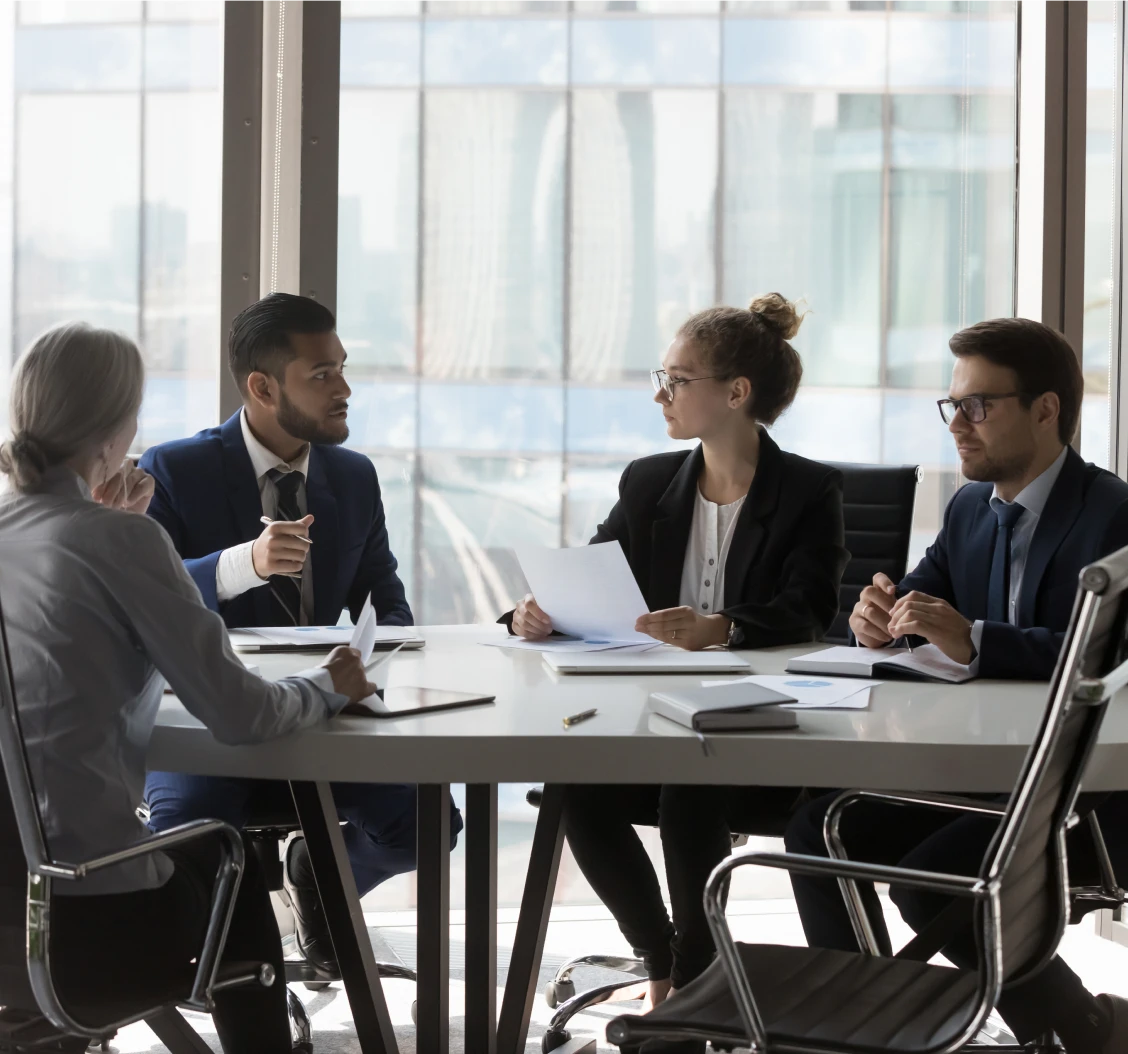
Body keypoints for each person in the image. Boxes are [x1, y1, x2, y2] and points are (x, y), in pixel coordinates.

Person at [0, 323, 377, 1052]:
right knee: (224, 859)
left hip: (10, 918)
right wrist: (328, 684)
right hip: (87, 920)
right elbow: (240, 714)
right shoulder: (118, 541)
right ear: (116, 429)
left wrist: (115, 531)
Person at [786, 317, 1128, 1054]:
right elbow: (915, 603)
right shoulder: (970, 507)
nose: (958, 427)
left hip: (1075, 791)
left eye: (978, 406)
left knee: (928, 880)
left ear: (1045, 410)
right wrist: (878, 619)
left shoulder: (1112, 512)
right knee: (817, 831)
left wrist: (974, 638)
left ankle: (1080, 1026)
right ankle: (861, 1030)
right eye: (952, 407)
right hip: (973, 769)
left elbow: (1106, 658)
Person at [505, 294, 849, 1006]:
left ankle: (695, 984)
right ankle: (663, 964)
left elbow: (811, 609)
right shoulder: (650, 481)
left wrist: (720, 627)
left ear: (735, 392)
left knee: (688, 791)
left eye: (676, 378)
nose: (661, 393)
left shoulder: (809, 490)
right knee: (573, 790)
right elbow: (595, 575)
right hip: (651, 712)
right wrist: (533, 614)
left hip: (763, 727)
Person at [138, 293, 461, 978]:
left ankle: (321, 870)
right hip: (212, 722)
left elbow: (385, 598)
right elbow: (147, 599)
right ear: (261, 387)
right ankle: (235, 975)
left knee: (432, 826)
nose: (345, 389)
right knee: (188, 839)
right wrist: (241, 565)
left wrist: (379, 656)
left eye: (342, 369)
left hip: (326, 714)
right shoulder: (174, 471)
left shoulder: (353, 475)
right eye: (322, 374)